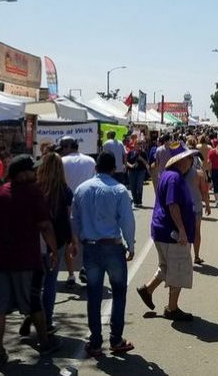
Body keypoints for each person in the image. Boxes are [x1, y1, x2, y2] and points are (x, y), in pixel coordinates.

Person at [0, 155, 61, 367]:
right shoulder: (33, 193)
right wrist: (54, 250)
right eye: (31, 170)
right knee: (34, 302)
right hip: (27, 259)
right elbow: (45, 225)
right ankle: (44, 342)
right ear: (21, 174)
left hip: (1, 259)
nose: (35, 173)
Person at [72, 152, 136, 357]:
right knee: (118, 293)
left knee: (94, 294)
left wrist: (75, 242)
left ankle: (96, 341)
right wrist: (131, 244)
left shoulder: (82, 189)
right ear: (113, 168)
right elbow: (127, 220)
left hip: (90, 248)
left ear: (96, 167)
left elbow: (75, 219)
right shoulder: (119, 190)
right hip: (113, 247)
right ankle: (116, 339)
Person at [137, 143, 198, 321]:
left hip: (162, 230)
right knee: (178, 269)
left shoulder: (167, 175)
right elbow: (173, 204)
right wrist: (182, 230)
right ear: (181, 160)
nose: (191, 162)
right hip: (171, 232)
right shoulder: (175, 178)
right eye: (189, 159)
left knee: (166, 266)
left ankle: (148, 289)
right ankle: (172, 308)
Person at [26, 152, 75, 335]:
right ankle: (46, 320)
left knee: (36, 282)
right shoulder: (65, 190)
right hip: (58, 241)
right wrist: (72, 240)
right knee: (51, 282)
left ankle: (33, 315)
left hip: (35, 240)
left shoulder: (35, 188)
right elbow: (68, 219)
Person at [56, 135, 95, 286]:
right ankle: (85, 267)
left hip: (66, 204)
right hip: (87, 204)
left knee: (68, 240)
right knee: (87, 239)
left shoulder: (61, 162)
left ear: (67, 147)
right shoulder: (90, 161)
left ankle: (71, 274)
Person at [126, 139, 149, 207]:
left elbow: (146, 163)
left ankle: (139, 201)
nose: (139, 145)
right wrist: (131, 166)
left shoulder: (143, 153)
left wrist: (141, 159)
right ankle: (135, 201)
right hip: (132, 171)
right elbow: (126, 162)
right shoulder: (130, 152)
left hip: (141, 171)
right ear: (134, 144)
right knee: (133, 186)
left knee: (139, 186)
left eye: (140, 144)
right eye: (138, 144)